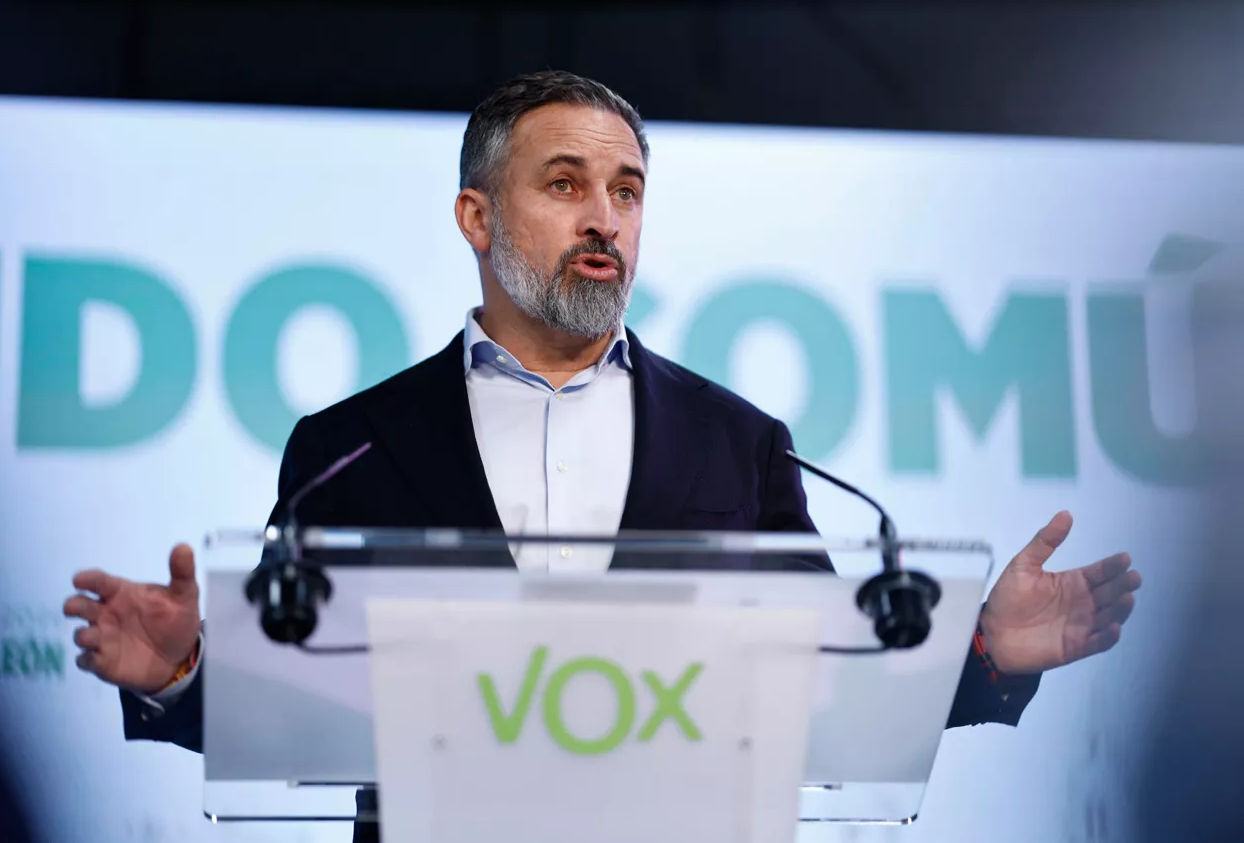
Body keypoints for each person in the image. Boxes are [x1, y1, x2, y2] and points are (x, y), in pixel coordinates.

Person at [63, 71, 1142, 838]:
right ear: (475, 215)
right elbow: (301, 696)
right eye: (565, 183)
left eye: (625, 191)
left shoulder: (737, 440)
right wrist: (190, 674)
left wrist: (981, 655)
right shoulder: (350, 445)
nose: (605, 219)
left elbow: (822, 682)